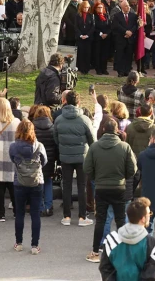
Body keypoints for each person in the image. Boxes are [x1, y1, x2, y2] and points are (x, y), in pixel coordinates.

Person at [84, 117, 137, 263]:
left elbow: (87, 168)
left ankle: (95, 252)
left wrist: (97, 178)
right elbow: (132, 169)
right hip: (119, 187)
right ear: (117, 130)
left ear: (102, 130)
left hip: (101, 188)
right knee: (120, 220)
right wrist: (123, 177)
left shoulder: (94, 147)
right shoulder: (124, 147)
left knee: (100, 220)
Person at [53, 91, 95, 227]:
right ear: (78, 102)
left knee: (67, 185)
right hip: (82, 156)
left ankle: (66, 216)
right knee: (82, 186)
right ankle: (82, 217)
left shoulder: (59, 119)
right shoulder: (84, 120)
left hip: (65, 156)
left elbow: (56, 138)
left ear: (65, 101)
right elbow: (92, 140)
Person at [99, 197, 155, 280]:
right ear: (143, 219)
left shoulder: (111, 239)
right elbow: (150, 275)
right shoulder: (152, 244)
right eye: (149, 213)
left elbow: (105, 269)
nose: (150, 215)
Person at [9, 119, 47, 255]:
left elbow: (13, 159)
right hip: (37, 181)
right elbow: (44, 162)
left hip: (19, 181)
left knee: (19, 212)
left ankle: (19, 243)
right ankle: (35, 245)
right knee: (35, 213)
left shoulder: (13, 146)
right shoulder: (39, 146)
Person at [30, 106, 55, 217]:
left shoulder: (32, 127)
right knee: (48, 181)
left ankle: (40, 207)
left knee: (37, 183)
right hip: (49, 158)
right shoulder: (52, 127)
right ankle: (48, 206)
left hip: (36, 158)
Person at [112, 0, 139, 77]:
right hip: (121, 39)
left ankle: (127, 70)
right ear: (122, 7)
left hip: (130, 39)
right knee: (120, 55)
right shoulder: (117, 16)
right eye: (126, 6)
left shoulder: (133, 15)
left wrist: (130, 32)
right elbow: (116, 26)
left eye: (128, 6)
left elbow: (135, 25)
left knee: (129, 55)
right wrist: (125, 32)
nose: (128, 7)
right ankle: (120, 71)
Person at [74, 1, 94, 74]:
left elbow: (92, 26)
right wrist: (80, 35)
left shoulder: (91, 15)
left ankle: (86, 68)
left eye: (87, 7)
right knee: (81, 53)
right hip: (80, 38)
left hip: (88, 38)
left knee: (87, 53)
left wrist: (87, 35)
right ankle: (81, 68)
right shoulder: (78, 15)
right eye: (85, 7)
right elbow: (76, 26)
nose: (86, 9)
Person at [92, 1, 111, 75]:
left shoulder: (106, 16)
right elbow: (94, 27)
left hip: (106, 38)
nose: (100, 9)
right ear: (96, 8)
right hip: (98, 38)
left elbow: (109, 26)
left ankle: (104, 69)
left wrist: (106, 33)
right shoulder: (94, 16)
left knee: (105, 54)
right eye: (98, 7)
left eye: (101, 7)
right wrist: (101, 34)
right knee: (98, 53)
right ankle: (98, 69)